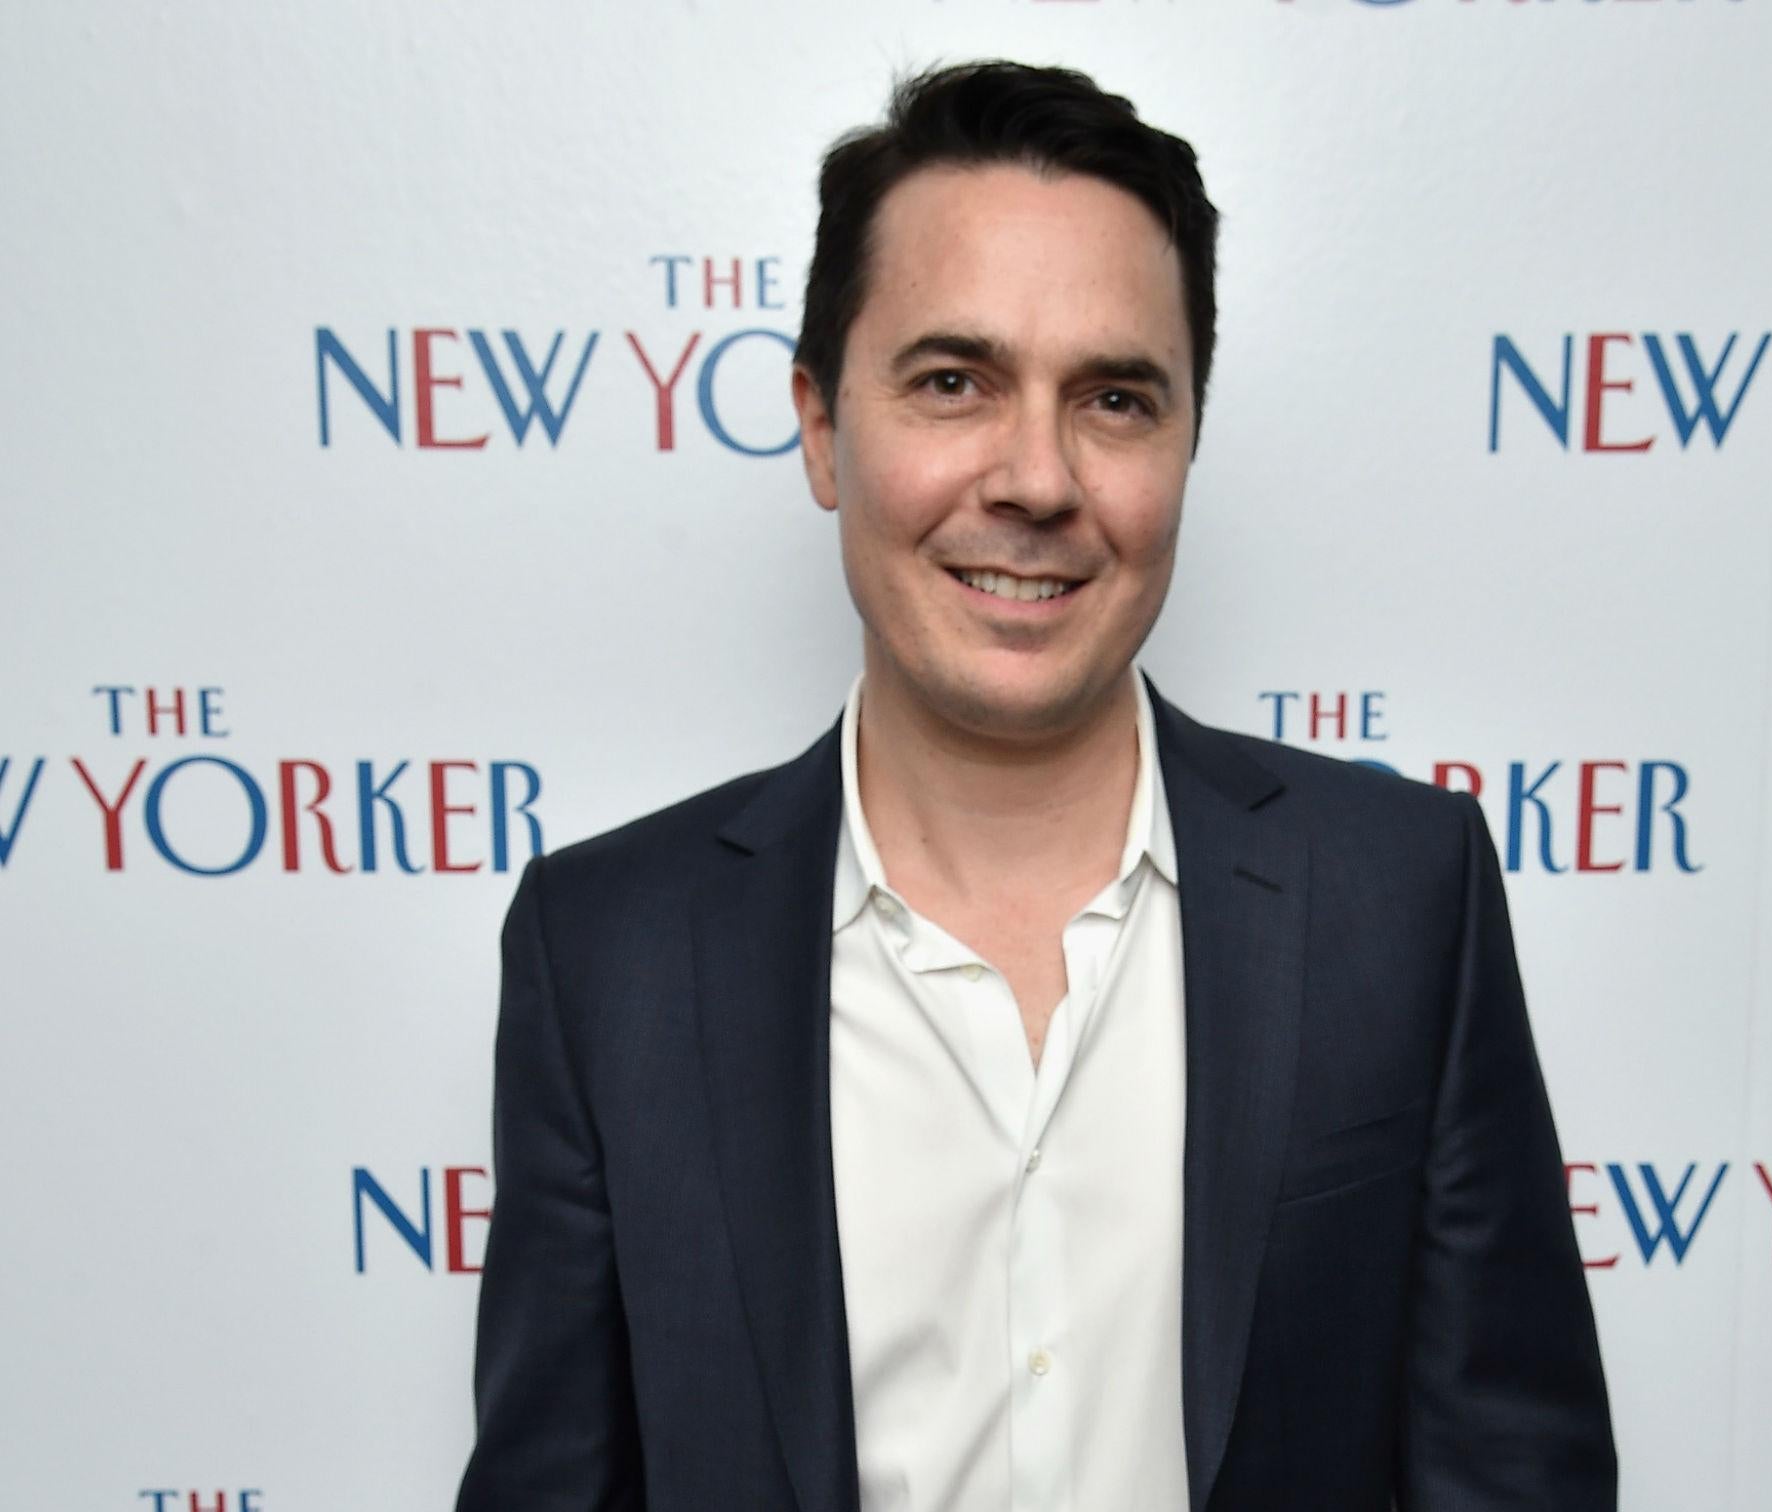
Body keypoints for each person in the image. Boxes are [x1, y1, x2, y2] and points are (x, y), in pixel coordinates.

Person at [456, 60, 1616, 1512]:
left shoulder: (1399, 893)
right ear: (823, 426)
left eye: (1116, 399)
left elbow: (1519, 1476)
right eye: (956, 382)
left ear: (1188, 437)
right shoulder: (608, 950)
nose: (1037, 480)